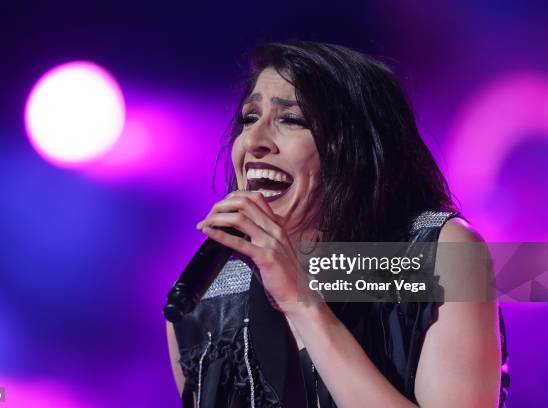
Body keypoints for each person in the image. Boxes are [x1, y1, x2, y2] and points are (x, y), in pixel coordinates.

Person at [166, 41, 509, 407]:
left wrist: (301, 300)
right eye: (250, 118)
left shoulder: (438, 252)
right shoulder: (205, 302)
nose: (254, 140)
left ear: (358, 146)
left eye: (291, 120)